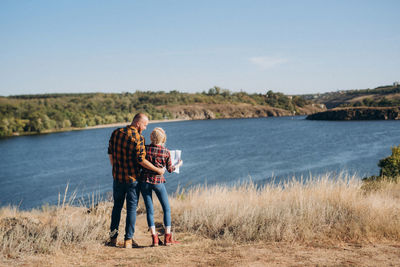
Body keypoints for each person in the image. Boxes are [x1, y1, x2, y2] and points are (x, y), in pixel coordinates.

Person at [107, 113, 165, 248]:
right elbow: (141, 160)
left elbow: (110, 152)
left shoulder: (116, 133)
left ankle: (112, 239)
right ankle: (128, 240)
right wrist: (158, 170)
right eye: (145, 125)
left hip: (117, 177)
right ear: (138, 123)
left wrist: (115, 167)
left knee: (117, 208)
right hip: (133, 179)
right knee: (131, 209)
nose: (145, 128)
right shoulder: (139, 138)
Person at [140, 127, 183, 246]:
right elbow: (169, 169)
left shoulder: (145, 149)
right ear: (163, 138)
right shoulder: (166, 152)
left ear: (150, 137)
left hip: (144, 181)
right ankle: (168, 238)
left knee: (150, 210)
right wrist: (179, 164)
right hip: (158, 182)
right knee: (166, 209)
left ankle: (154, 238)